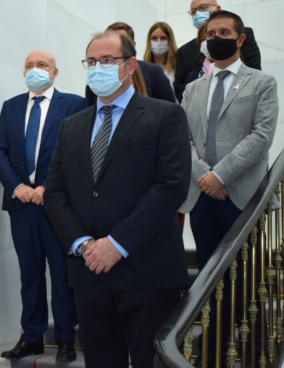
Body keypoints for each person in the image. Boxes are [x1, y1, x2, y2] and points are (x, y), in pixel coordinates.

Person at [44, 31, 191, 367]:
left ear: (129, 65)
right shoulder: (70, 126)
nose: (98, 68)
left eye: (107, 61)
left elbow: (171, 187)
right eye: (92, 62)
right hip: (89, 272)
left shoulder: (164, 115)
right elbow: (55, 192)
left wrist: (117, 243)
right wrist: (83, 244)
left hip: (147, 273)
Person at [179, 10, 278, 365]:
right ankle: (216, 338)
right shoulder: (191, 88)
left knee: (246, 272)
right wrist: (205, 176)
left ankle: (253, 340)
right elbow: (184, 140)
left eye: (224, 31)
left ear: (240, 39)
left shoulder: (261, 82)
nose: (216, 37)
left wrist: (220, 175)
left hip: (242, 194)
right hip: (202, 194)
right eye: (210, 33)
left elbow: (261, 136)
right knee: (209, 273)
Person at [0, 50, 86, 362]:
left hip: (56, 204)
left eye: (42, 65)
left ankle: (64, 339)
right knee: (29, 274)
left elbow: (76, 150)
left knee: (61, 273)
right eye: (30, 66)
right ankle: (31, 337)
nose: (35, 70)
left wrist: (47, 186)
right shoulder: (11, 107)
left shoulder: (73, 104)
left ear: (55, 72)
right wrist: (18, 187)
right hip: (22, 206)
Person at [174, 0, 261, 102]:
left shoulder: (243, 34)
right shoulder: (184, 51)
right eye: (193, 11)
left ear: (218, 9)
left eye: (203, 7)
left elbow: (253, 69)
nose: (198, 14)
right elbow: (180, 87)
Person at [85, 21, 176, 106]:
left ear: (132, 45)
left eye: (123, 41)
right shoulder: (95, 78)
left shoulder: (153, 72)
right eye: (91, 62)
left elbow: (168, 110)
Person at [143, 21, 178, 94]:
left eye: (163, 38)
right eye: (154, 38)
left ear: (170, 41)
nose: (158, 42)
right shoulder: (143, 68)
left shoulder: (178, 67)